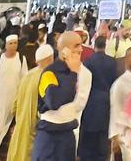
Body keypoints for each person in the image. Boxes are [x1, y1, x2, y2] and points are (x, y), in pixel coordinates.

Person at [31, 30, 85, 161]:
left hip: (68, 134)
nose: (81, 49)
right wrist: (72, 73)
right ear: (64, 50)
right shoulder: (49, 73)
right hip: (49, 138)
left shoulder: (81, 71)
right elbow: (54, 101)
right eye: (76, 45)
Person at [6, 43, 55, 161]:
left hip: (20, 129)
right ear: (51, 59)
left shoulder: (27, 75)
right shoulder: (47, 78)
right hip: (35, 131)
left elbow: (14, 106)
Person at [0, 33, 28, 160]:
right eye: (10, 43)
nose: (13, 45)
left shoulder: (21, 59)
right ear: (6, 45)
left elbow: (24, 81)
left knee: (4, 128)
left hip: (11, 102)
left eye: (15, 43)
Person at [78, 34, 118, 161]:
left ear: (94, 45)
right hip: (106, 103)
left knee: (88, 140)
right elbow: (115, 83)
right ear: (105, 46)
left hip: (90, 103)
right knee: (102, 140)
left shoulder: (87, 62)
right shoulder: (112, 62)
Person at [109, 46, 131, 161]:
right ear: (127, 60)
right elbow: (115, 111)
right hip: (126, 138)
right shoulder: (120, 84)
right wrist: (115, 138)